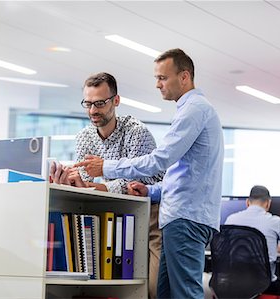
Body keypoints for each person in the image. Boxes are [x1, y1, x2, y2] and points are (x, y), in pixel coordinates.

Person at [75, 49, 224, 299]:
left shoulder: (194, 109)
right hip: (177, 215)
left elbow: (160, 160)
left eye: (163, 78)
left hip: (185, 218)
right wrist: (151, 191)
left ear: (184, 76)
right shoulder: (188, 109)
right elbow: (182, 174)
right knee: (163, 293)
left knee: (185, 293)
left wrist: (106, 167)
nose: (157, 84)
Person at [50, 72, 163, 299]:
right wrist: (72, 181)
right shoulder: (84, 137)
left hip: (149, 214)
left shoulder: (136, 132)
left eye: (100, 103)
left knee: (153, 289)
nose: (93, 111)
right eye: (88, 104)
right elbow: (85, 183)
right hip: (109, 213)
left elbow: (136, 184)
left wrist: (94, 185)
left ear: (116, 101)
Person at [225, 185, 280, 298]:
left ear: (247, 202)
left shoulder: (230, 220)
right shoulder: (274, 222)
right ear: (268, 203)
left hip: (234, 281)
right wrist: (276, 247)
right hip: (263, 284)